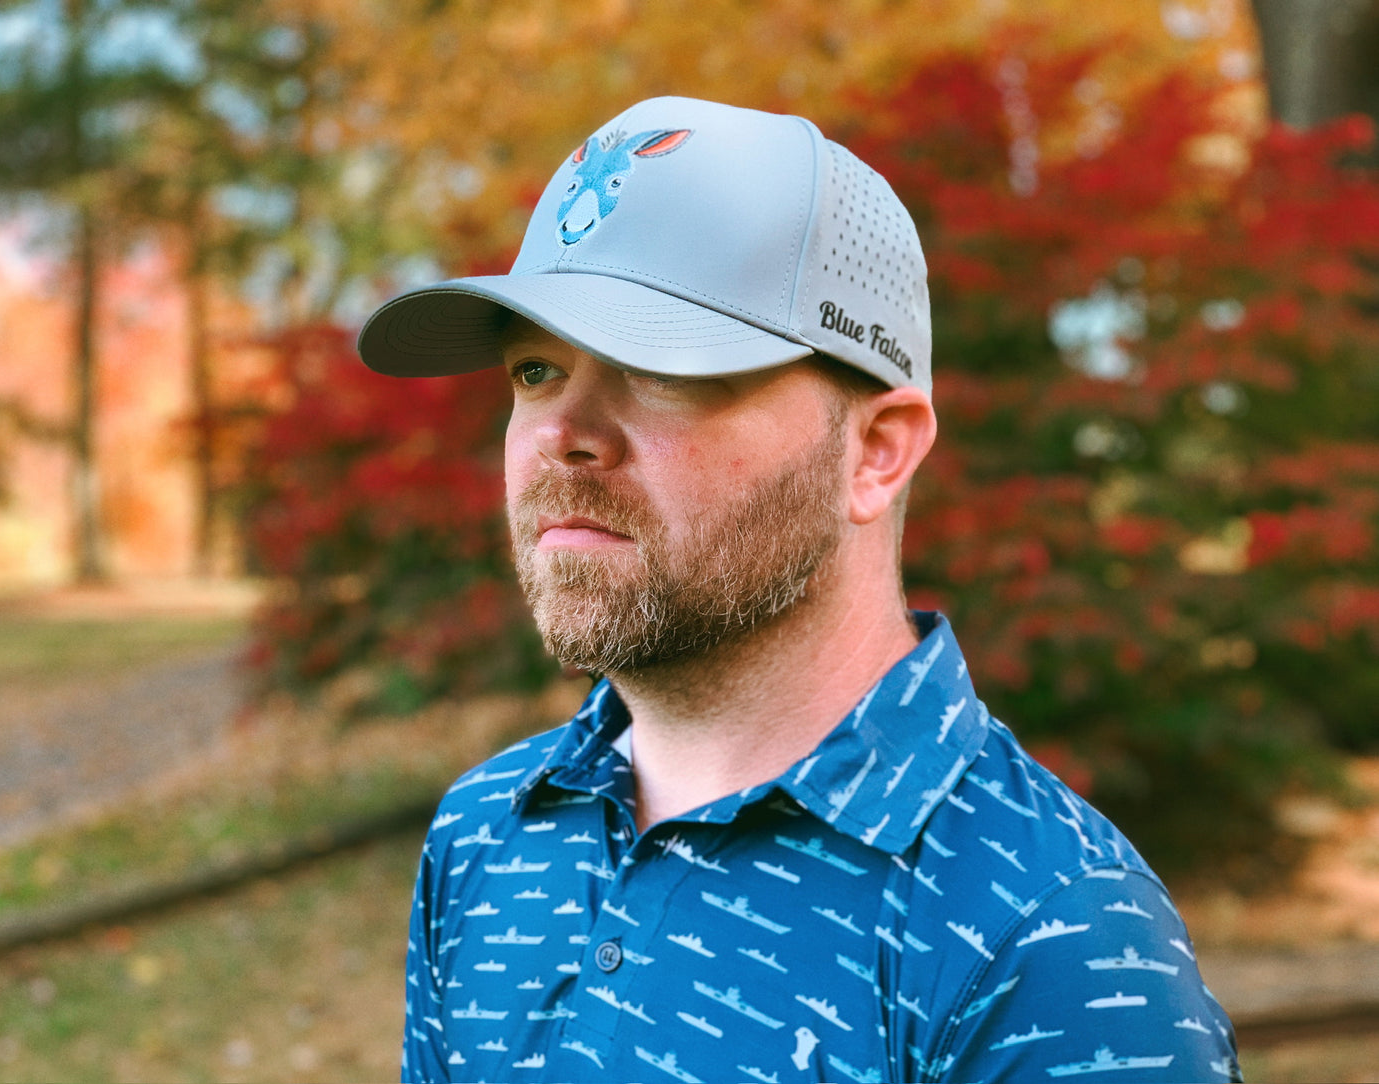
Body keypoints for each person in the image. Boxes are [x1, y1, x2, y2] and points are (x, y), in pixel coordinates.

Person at [358, 96, 1243, 1083]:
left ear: (874, 451)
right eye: (534, 369)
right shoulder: (487, 832)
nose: (563, 431)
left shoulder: (1050, 936)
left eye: (662, 370)